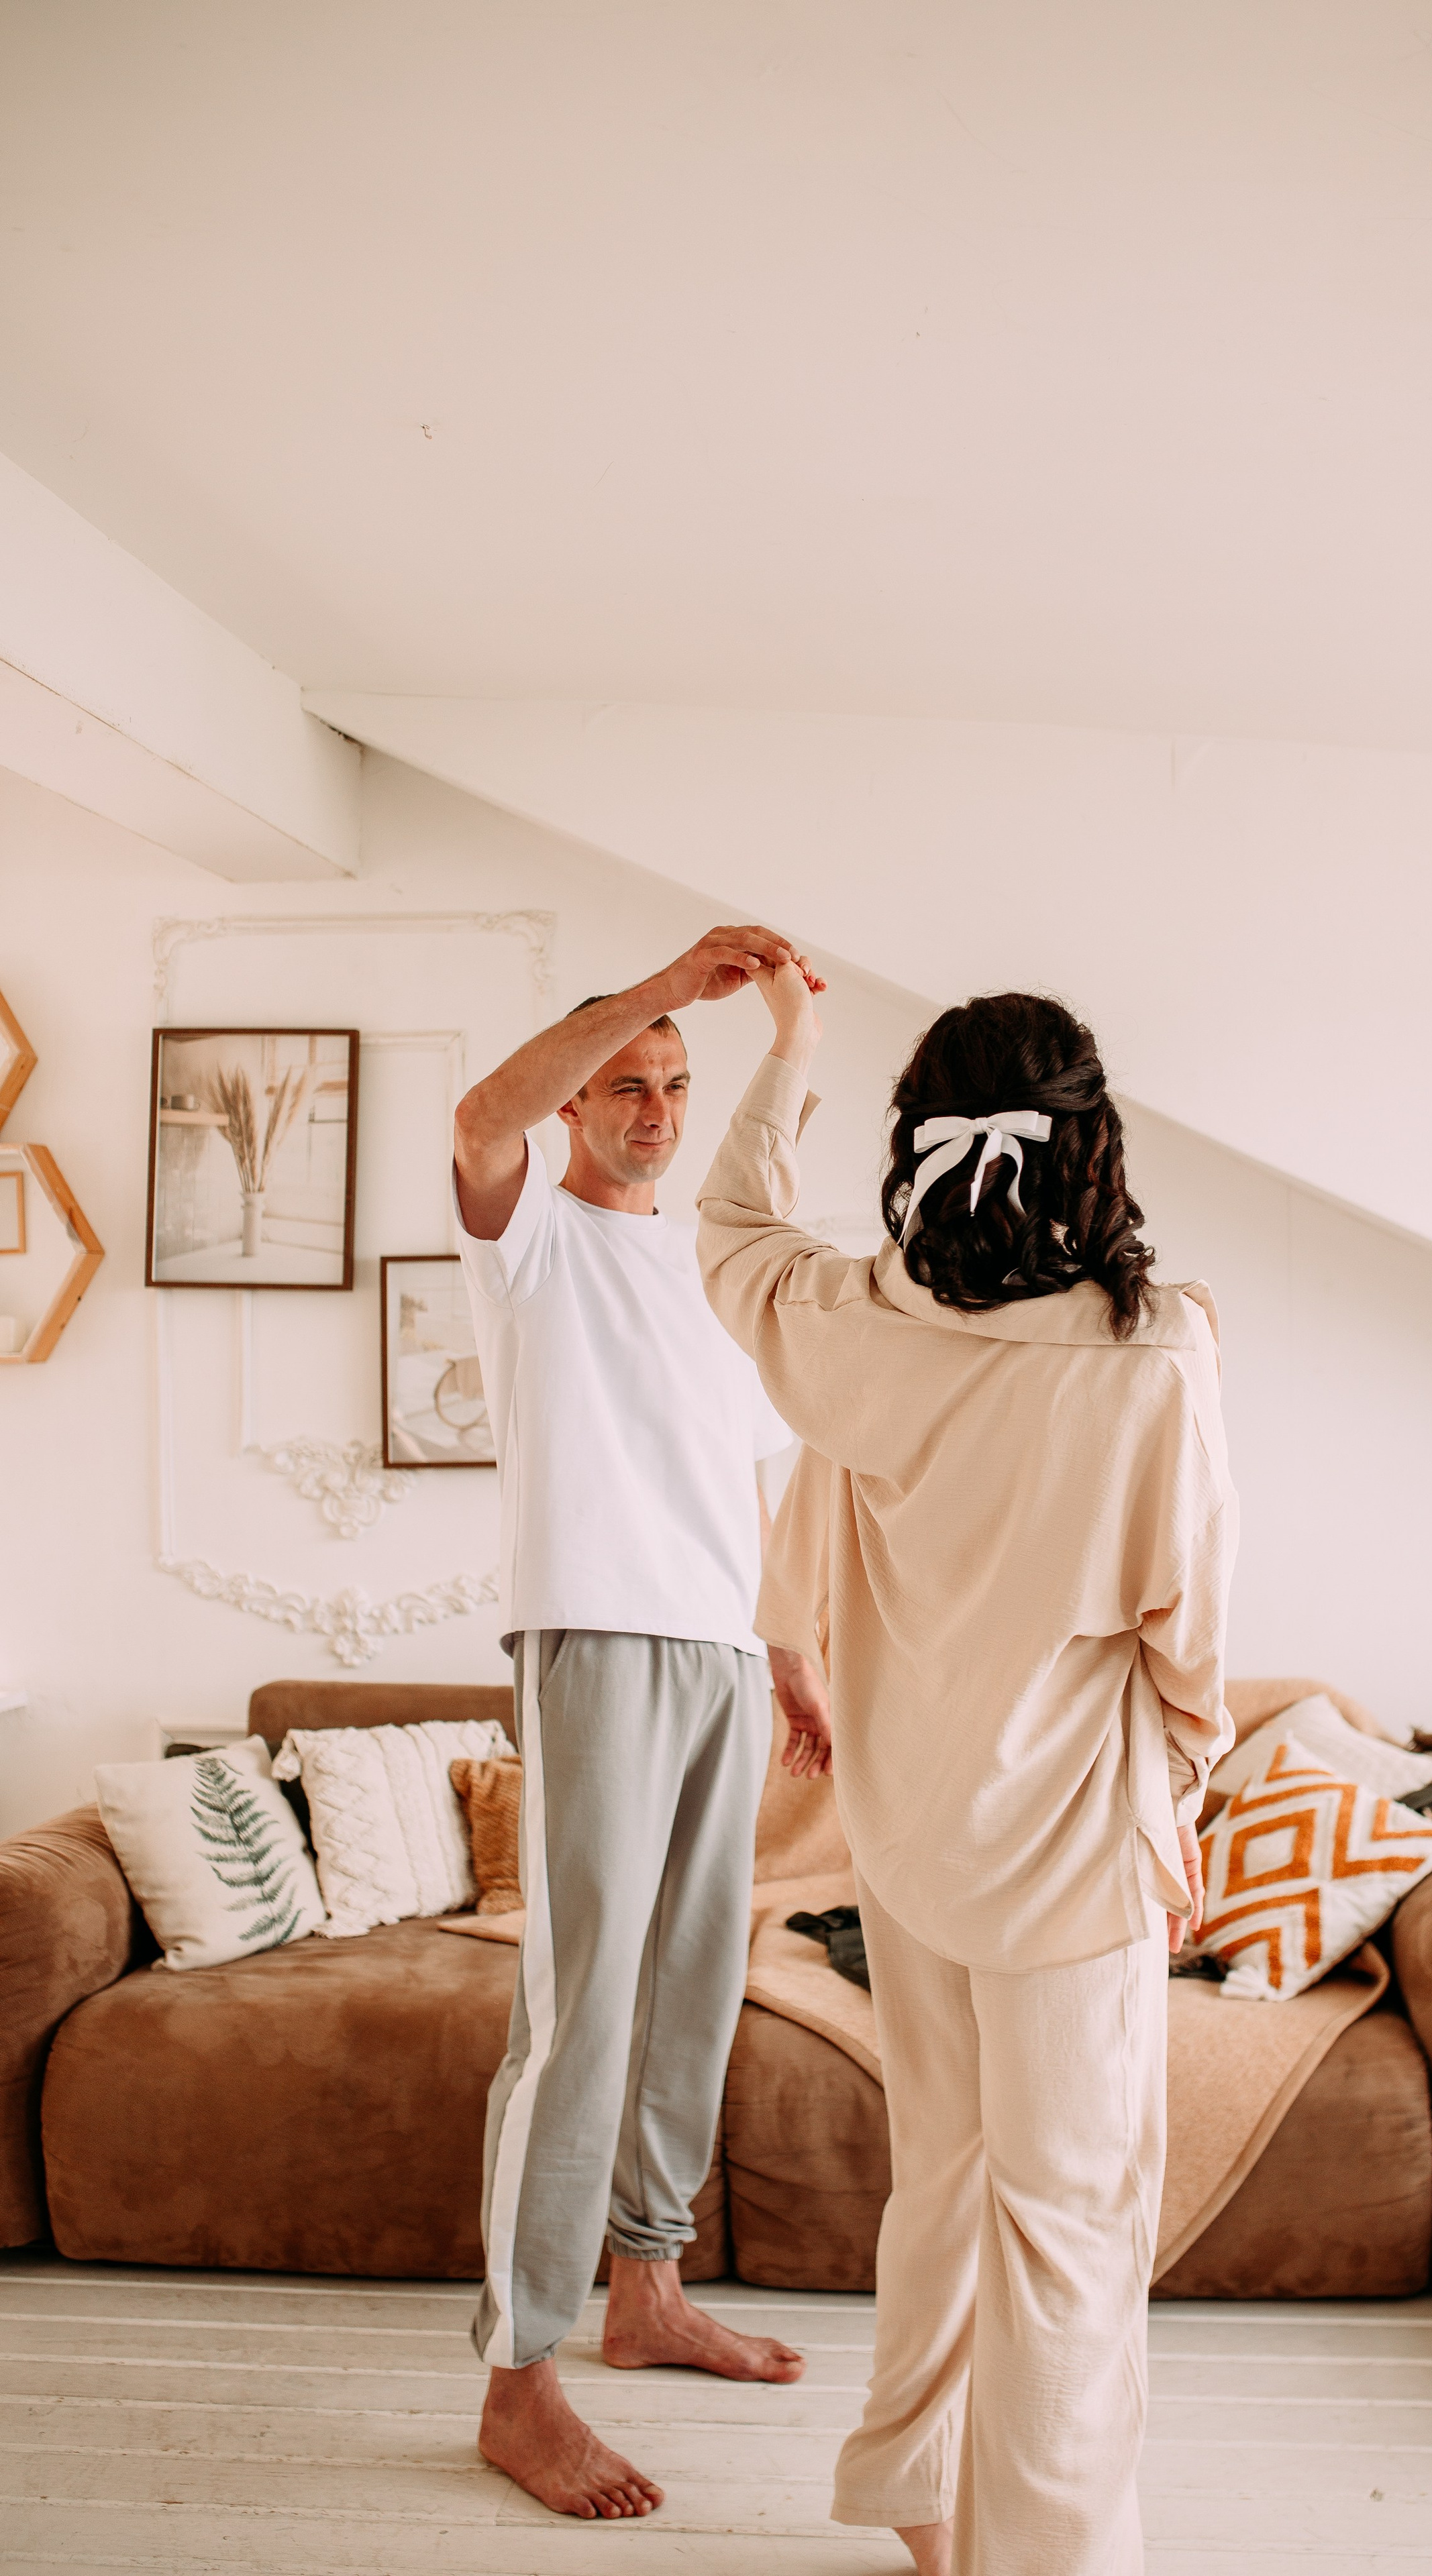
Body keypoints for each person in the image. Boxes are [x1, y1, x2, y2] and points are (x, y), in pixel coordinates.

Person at [697, 965, 1237, 2576]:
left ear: (918, 1141)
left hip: (907, 1837)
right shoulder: (1154, 1360)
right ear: (1089, 1149)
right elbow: (1187, 1641)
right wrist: (1179, 1800)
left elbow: (727, 1223)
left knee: (939, 2179)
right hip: (1070, 1851)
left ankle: (920, 2513)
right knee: (1065, 2225)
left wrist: (787, 1047)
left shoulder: (850, 1327)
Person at [450, 924, 837, 2523]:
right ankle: (518, 2381)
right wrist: (666, 986)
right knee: (579, 2013)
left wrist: (790, 1649)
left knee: (691, 1985)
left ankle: (646, 2290)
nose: (658, 1106)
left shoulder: (711, 1273)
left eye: (675, 1084)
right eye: (628, 1080)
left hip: (719, 1656)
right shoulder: (526, 1234)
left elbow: (751, 1487)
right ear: (580, 1095)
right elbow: (479, 1117)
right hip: (593, 1639)